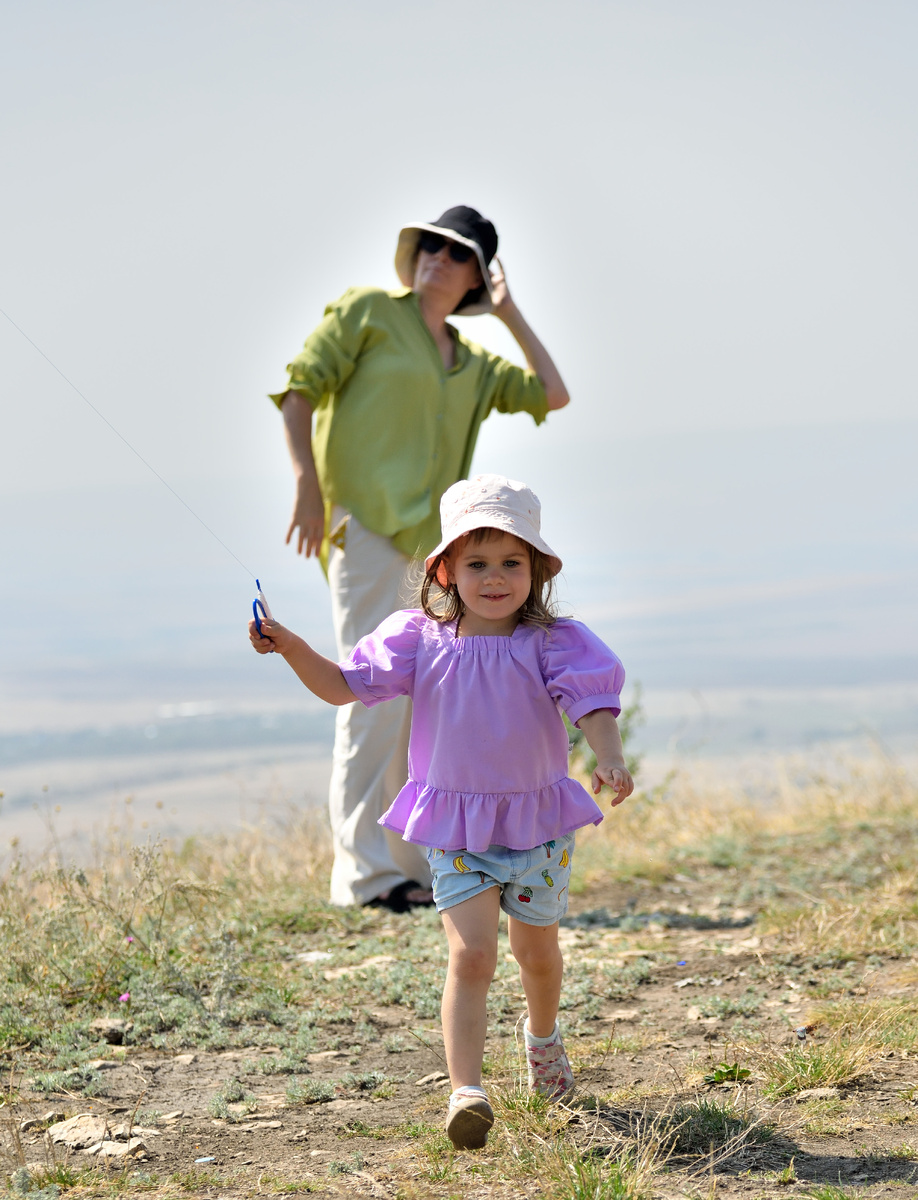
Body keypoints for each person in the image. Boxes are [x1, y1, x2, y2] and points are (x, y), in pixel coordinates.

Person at [248, 474, 634, 1150]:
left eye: (512, 562)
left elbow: (595, 705)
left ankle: (542, 1044)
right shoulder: (417, 638)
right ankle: (467, 1092)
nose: (494, 578)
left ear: (538, 570)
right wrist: (290, 646)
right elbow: (343, 686)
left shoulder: (554, 641)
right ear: (446, 569)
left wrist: (609, 757)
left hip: (537, 825)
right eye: (476, 562)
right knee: (473, 955)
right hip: (455, 829)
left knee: (535, 952)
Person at [269, 206, 570, 912]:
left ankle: (406, 869)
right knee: (368, 695)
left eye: (456, 251)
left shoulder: (473, 361)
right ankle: (363, 878)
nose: (437, 255)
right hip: (365, 526)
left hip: (437, 554)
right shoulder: (369, 312)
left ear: (476, 274)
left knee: (422, 706)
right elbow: (298, 389)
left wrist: (509, 313)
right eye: (429, 244)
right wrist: (307, 487)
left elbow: (553, 394)